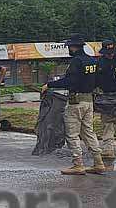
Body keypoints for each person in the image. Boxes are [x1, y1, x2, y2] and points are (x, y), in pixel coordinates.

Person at [42, 34, 106, 175]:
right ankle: (98, 162)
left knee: (72, 134)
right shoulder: (92, 61)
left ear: (74, 47)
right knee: (88, 131)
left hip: (75, 102)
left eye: (69, 47)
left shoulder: (76, 62)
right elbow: (97, 81)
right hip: (89, 101)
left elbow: (69, 81)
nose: (68, 49)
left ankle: (78, 164)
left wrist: (50, 85)